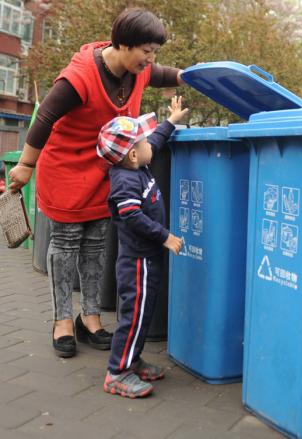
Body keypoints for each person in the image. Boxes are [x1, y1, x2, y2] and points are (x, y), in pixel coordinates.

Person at [7, 8, 187, 358]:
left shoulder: (138, 70)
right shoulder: (80, 76)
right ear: (124, 45)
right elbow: (45, 117)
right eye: (146, 51)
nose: (151, 59)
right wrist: (26, 164)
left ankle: (89, 317)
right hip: (67, 169)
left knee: (96, 245)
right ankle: (61, 319)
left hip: (105, 169)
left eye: (155, 52)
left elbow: (162, 74)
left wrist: (190, 76)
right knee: (65, 244)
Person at [97, 96, 186, 398]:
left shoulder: (136, 165)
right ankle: (117, 372)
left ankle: (132, 361)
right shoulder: (125, 181)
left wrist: (171, 121)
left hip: (147, 259)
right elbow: (132, 217)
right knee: (133, 316)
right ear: (133, 154)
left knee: (143, 314)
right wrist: (165, 236)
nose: (151, 143)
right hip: (137, 263)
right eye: (144, 141)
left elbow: (155, 142)